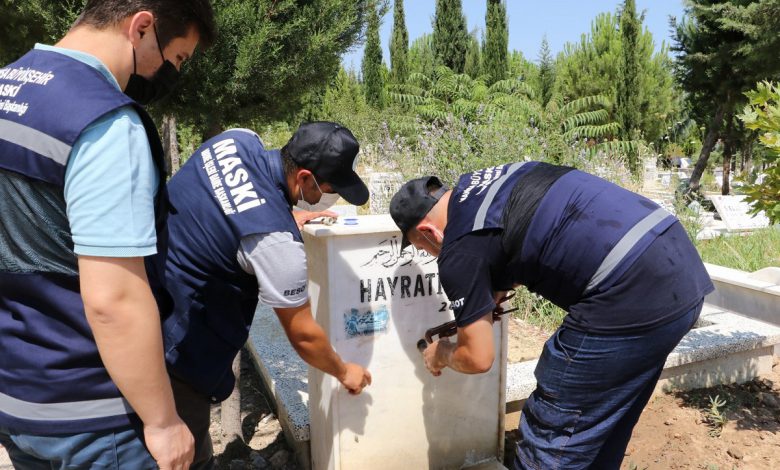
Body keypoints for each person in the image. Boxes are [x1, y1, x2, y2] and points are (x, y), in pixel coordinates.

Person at [0, 1, 215, 469]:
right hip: (94, 416)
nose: (168, 74)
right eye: (175, 59)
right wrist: (161, 422)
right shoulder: (105, 123)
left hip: (18, 396)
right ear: (141, 28)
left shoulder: (7, 86)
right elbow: (112, 298)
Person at [389, 161, 713, 469]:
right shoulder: (485, 183)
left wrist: (441, 353)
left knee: (556, 432)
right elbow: (522, 230)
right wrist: (490, 294)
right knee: (600, 427)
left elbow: (478, 358)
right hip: (679, 269)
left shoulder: (457, 251)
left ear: (429, 232)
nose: (426, 253)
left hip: (629, 293)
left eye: (420, 247)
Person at [150, 122, 373, 468]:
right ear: (304, 179)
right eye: (331, 188)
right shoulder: (275, 242)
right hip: (177, 352)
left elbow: (234, 200)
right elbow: (303, 335)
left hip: (150, 295)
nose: (335, 197)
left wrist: (286, 215)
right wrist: (345, 372)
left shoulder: (237, 139)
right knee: (185, 457)